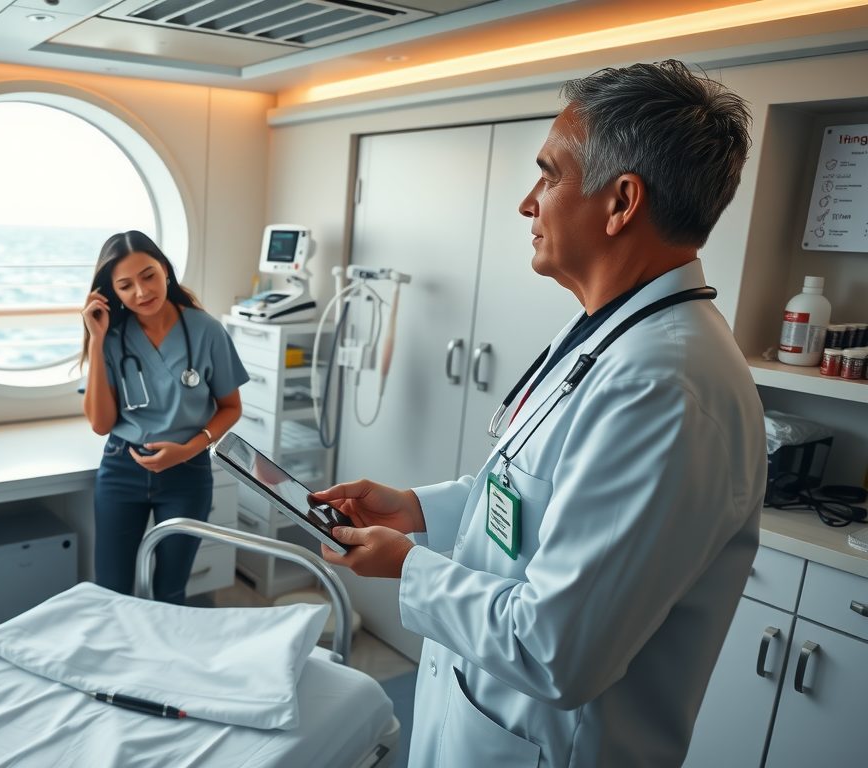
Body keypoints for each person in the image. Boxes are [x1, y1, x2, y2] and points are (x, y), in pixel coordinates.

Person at [315, 61, 766, 767]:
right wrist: (418, 511)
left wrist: (409, 568)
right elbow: (532, 497)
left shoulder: (664, 389)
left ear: (621, 202)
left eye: (549, 176)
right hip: (485, 716)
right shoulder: (604, 334)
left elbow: (555, 649)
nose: (528, 204)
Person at [81, 230, 248, 605]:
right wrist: (96, 340)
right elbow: (101, 424)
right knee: (111, 589)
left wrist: (188, 450)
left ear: (165, 271)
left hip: (186, 473)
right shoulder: (111, 336)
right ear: (112, 292)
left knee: (171, 590)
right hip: (122, 468)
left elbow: (231, 407)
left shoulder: (206, 331)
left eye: (148, 276)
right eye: (126, 285)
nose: (141, 292)